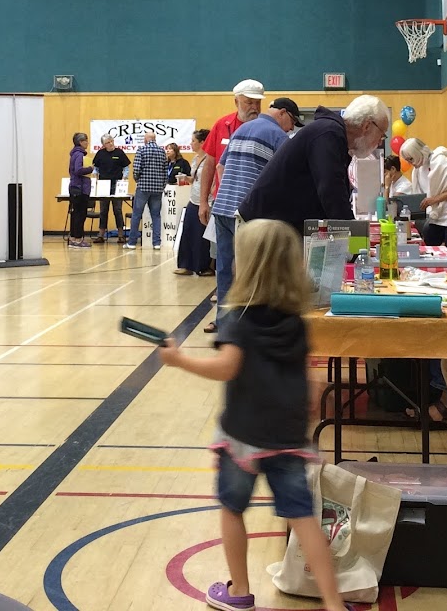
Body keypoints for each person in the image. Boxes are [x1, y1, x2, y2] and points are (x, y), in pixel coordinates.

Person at [157, 220, 361, 611]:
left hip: (243, 438)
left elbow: (227, 367)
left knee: (232, 511)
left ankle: (238, 593)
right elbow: (309, 378)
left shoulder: (237, 319)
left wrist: (179, 359)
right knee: (303, 521)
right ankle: (334, 603)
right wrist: (311, 406)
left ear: (246, 264)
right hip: (288, 438)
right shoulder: (296, 322)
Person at [203, 99, 293, 333]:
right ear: (283, 114)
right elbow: (283, 180)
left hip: (222, 208)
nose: (290, 129)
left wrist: (231, 190)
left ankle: (224, 326)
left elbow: (220, 167)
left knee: (224, 270)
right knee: (252, 272)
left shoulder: (241, 128)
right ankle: (247, 330)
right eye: (291, 122)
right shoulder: (278, 137)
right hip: (247, 213)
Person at [238, 95, 389, 233]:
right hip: (261, 227)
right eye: (382, 134)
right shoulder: (328, 134)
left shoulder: (336, 138)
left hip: (274, 225)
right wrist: (355, 235)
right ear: (367, 125)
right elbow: (331, 192)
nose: (380, 141)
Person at [195, 79, 265, 231]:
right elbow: (210, 165)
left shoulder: (266, 129)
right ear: (236, 102)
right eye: (249, 102)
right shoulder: (221, 125)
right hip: (222, 203)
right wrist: (203, 202)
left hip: (253, 206)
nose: (254, 107)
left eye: (257, 103)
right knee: (221, 253)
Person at [398, 138, 447, 255]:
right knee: (430, 238)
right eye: (408, 160)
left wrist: (433, 200)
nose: (410, 163)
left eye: (411, 159)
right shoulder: (418, 170)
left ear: (418, 153)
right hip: (437, 212)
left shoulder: (439, 161)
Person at [175, 129, 213, 277]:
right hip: (193, 199)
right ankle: (186, 265)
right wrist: (186, 178)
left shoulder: (211, 159)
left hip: (207, 200)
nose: (191, 143)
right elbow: (195, 179)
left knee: (202, 236)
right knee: (188, 231)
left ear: (203, 142)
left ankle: (203, 266)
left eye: (193, 141)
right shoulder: (194, 159)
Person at [125, 133, 167, 251]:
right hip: (158, 188)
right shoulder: (162, 151)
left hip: (143, 187)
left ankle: (132, 242)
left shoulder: (141, 150)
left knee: (137, 215)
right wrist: (162, 185)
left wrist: (138, 180)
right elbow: (165, 171)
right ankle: (156, 243)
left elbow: (136, 169)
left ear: (147, 139)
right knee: (156, 215)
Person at [91, 134, 131, 242]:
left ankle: (121, 235)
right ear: (104, 145)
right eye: (108, 142)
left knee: (117, 210)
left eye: (112, 141)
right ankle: (101, 235)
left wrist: (124, 178)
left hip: (116, 184)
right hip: (103, 184)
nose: (111, 144)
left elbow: (126, 168)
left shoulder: (119, 153)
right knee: (103, 210)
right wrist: (95, 177)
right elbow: (96, 168)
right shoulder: (100, 154)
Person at [67, 132, 94, 249]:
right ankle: (78, 239)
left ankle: (73, 238)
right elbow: (78, 170)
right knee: (80, 214)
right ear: (80, 142)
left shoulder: (74, 154)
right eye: (86, 141)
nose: (87, 143)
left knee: (75, 213)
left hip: (74, 186)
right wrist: (90, 168)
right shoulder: (79, 155)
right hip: (80, 188)